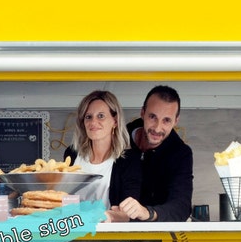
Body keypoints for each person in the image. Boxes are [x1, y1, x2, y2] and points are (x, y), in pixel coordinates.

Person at [64, 90, 141, 222]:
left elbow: (128, 214)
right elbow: (65, 198)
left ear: (115, 121)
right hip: (72, 232)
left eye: (101, 116)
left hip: (108, 238)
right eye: (88, 117)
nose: (93, 122)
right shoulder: (72, 154)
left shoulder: (129, 160)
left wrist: (108, 216)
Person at [119, 85, 193, 222]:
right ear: (142, 113)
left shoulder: (181, 154)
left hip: (157, 236)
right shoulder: (118, 138)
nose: (157, 128)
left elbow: (181, 206)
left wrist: (148, 213)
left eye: (166, 120)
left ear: (176, 121)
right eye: (153, 117)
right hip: (108, 228)